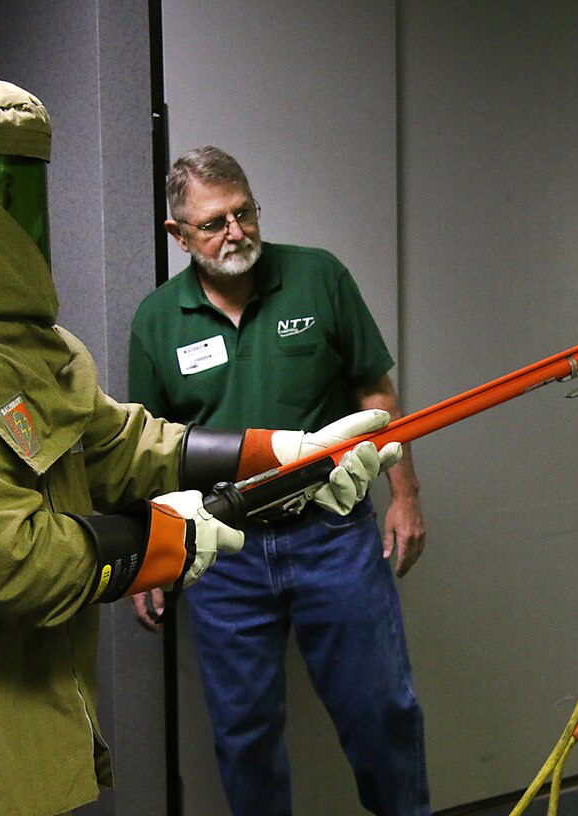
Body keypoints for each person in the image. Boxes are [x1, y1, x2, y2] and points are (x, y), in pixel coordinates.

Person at [0, 42, 398, 816]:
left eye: (16, 182)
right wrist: (172, 537)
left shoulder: (29, 347)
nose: (7, 215)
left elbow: (119, 445)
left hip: (12, 734)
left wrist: (280, 452)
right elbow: (7, 565)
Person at [129, 146, 430, 815]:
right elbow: (146, 450)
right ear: (179, 236)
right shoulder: (156, 321)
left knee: (382, 712)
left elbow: (375, 396)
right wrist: (151, 555)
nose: (235, 232)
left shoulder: (317, 276)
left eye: (244, 212)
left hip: (332, 538)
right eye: (214, 223)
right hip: (224, 553)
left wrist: (404, 496)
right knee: (245, 735)